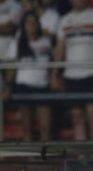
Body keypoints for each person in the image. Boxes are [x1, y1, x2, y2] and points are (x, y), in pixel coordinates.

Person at [53, 0, 93, 140]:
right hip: (71, 76)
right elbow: (60, 50)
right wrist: (55, 74)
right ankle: (81, 158)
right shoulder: (64, 20)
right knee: (77, 118)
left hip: (92, 73)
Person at [4, 11, 53, 141]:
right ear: (23, 25)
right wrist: (8, 87)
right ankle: (31, 158)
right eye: (28, 22)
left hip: (42, 86)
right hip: (24, 87)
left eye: (34, 22)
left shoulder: (46, 42)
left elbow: (54, 62)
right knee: (27, 128)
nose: (31, 25)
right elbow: (11, 68)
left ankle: (44, 158)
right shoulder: (17, 43)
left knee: (45, 128)